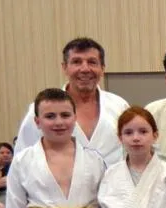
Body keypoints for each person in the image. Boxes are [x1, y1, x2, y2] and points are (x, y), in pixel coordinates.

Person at [14, 38, 130, 167]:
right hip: (58, 179)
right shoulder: (41, 109)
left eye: (92, 62)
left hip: (114, 179)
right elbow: (21, 162)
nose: (85, 69)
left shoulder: (119, 106)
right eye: (76, 62)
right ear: (65, 67)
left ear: (102, 68)